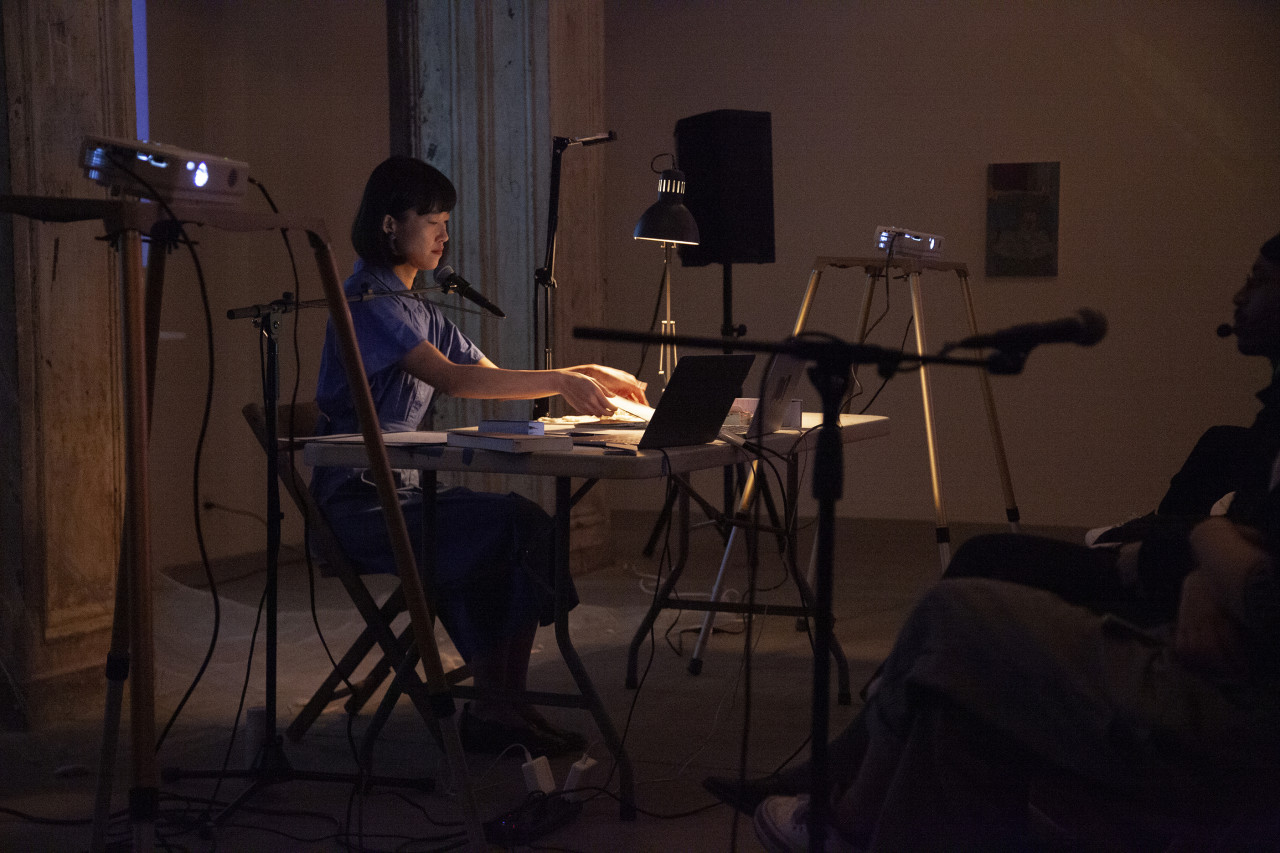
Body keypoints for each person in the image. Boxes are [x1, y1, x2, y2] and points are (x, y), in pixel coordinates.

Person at [706, 234, 1280, 847]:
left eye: (1259, 280)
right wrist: (1207, 561)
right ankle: (843, 796)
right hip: (1199, 621)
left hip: (1227, 695)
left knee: (955, 612)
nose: (1240, 295)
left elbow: (1261, 581)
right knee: (962, 670)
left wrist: (1207, 541)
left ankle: (844, 811)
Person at [310, 156, 647, 757]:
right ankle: (501, 707)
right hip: (362, 504)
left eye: (447, 220)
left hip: (407, 495)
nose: (444, 233)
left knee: (513, 530)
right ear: (390, 225)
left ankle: (500, 707)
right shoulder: (367, 302)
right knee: (511, 527)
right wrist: (563, 380)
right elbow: (455, 382)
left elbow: (487, 376)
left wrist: (577, 373)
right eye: (432, 220)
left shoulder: (422, 309)